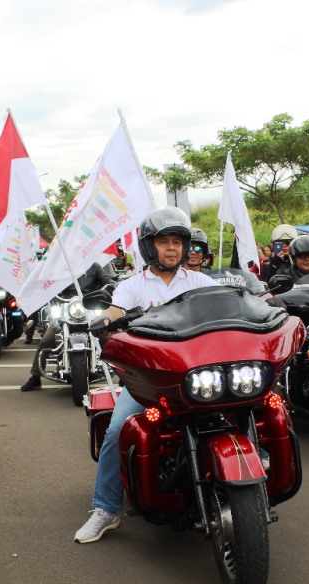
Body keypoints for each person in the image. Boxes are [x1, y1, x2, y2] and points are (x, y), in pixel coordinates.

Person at [74, 206, 217, 543]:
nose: (172, 248)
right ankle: (105, 510)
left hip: (196, 379)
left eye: (178, 242)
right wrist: (105, 321)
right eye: (164, 241)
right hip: (149, 384)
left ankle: (255, 468)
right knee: (116, 431)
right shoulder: (133, 285)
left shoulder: (201, 282)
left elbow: (227, 305)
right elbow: (115, 310)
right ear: (149, 247)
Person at [20, 262, 116, 392]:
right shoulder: (59, 266)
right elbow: (48, 283)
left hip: (89, 308)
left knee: (109, 340)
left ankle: (124, 375)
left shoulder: (93, 266)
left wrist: (111, 285)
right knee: (45, 342)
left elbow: (107, 280)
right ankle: (35, 377)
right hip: (65, 308)